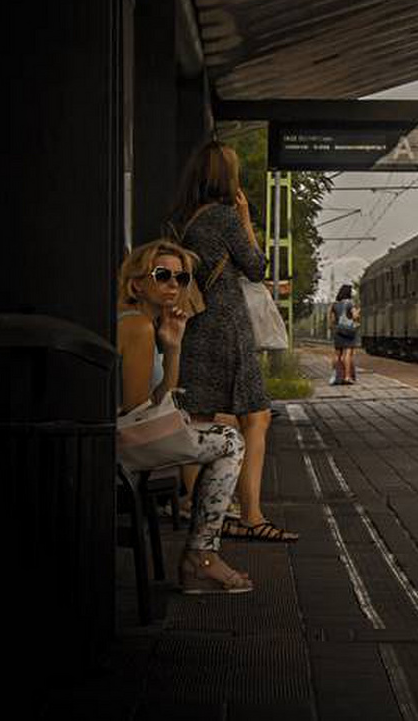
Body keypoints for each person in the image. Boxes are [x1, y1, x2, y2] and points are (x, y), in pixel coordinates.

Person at [172, 141, 299, 543]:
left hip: (198, 328)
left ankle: (197, 504)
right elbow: (257, 268)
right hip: (226, 329)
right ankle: (251, 515)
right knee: (256, 416)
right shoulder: (225, 218)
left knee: (199, 416)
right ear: (227, 177)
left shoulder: (186, 220)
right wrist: (245, 219)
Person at [117, 240, 252, 593]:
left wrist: (174, 348)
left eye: (182, 277)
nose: (174, 285)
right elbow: (135, 408)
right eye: (162, 275)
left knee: (221, 437)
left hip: (127, 439)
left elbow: (159, 396)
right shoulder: (136, 327)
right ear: (136, 284)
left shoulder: (149, 325)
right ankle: (201, 558)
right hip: (121, 445)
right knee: (230, 440)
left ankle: (202, 556)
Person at [330, 284, 360, 385]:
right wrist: (357, 314)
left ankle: (335, 376)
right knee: (347, 354)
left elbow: (333, 320)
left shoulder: (334, 305)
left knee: (337, 355)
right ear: (349, 293)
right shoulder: (350, 303)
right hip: (348, 331)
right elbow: (355, 316)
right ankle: (347, 377)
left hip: (338, 331)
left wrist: (336, 327)